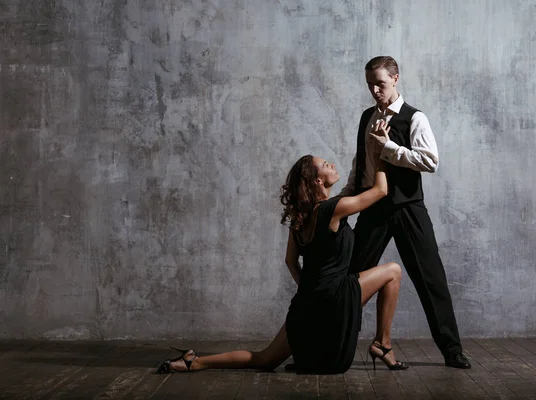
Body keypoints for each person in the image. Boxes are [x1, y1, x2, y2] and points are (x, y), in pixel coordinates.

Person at [156, 149, 409, 374]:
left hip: (306, 306)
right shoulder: (335, 208)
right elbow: (381, 191)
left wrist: (310, 290)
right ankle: (382, 344)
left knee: (264, 358)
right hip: (336, 299)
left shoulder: (301, 219)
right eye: (325, 164)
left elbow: (290, 261)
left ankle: (195, 362)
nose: (331, 164)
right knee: (393, 271)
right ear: (318, 180)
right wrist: (380, 155)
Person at [339, 55, 471, 369]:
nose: (374, 90)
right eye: (370, 84)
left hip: (409, 208)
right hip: (374, 206)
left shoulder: (415, 118)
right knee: (348, 278)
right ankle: (327, 344)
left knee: (431, 279)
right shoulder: (366, 118)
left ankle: (452, 351)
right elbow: (363, 167)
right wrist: (342, 201)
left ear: (396, 79)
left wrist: (389, 148)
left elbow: (430, 161)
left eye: (380, 83)